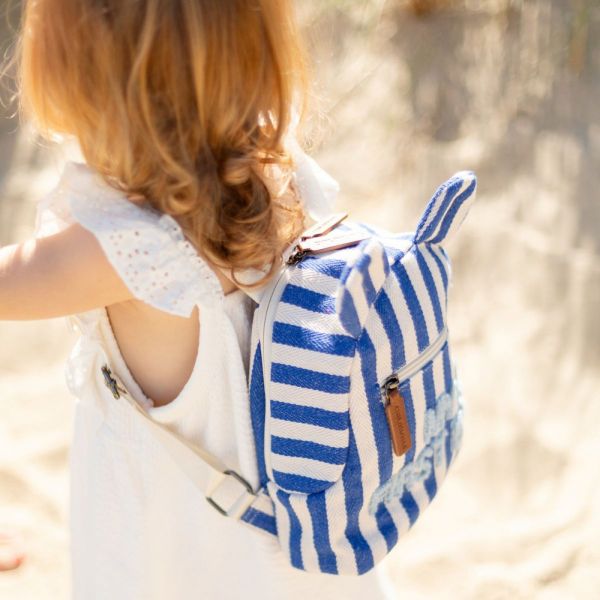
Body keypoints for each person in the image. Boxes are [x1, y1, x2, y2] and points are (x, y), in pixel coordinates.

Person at [0, 1, 396, 598]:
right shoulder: (273, 170)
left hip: (179, 558)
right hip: (283, 551)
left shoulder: (125, 246)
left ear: (87, 72)